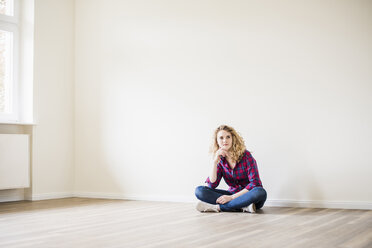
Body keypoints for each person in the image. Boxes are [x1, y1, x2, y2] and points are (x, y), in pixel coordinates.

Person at [195, 125, 267, 213]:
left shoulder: (246, 156)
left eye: (228, 137)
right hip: (232, 193)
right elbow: (212, 185)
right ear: (217, 141)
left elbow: (255, 183)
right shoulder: (220, 159)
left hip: (248, 195)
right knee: (200, 191)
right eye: (221, 138)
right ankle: (242, 207)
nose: (225, 140)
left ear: (233, 139)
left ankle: (218, 207)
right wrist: (214, 162)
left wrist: (231, 198)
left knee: (260, 191)